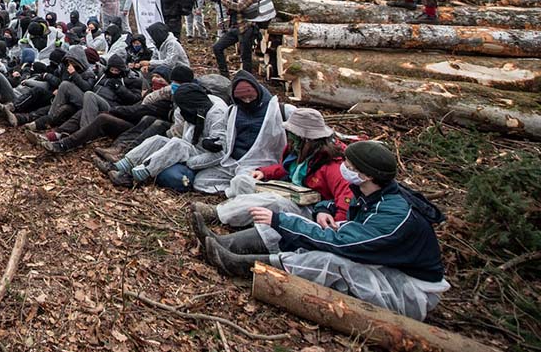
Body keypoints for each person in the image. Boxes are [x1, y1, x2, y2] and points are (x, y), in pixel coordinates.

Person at [198, 141, 449, 321]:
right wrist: (323, 209)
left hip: (407, 289)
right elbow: (341, 204)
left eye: (349, 165)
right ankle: (225, 244)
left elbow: (342, 244)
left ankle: (240, 264)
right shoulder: (371, 192)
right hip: (381, 264)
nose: (344, 167)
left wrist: (281, 221)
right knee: (290, 227)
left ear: (365, 174)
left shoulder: (393, 214)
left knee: (326, 259)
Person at [192, 108, 351, 230]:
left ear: (306, 138)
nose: (288, 135)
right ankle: (239, 210)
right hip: (289, 191)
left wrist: (336, 224)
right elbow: (287, 168)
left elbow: (346, 196)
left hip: (309, 209)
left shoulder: (331, 164)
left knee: (272, 201)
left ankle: (218, 214)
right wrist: (264, 172)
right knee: (243, 180)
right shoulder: (297, 150)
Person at [213, 0, 275, 76]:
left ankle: (247, 81)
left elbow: (240, 7)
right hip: (235, 26)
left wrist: (223, 0)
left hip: (246, 27)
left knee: (245, 57)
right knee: (217, 47)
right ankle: (224, 75)